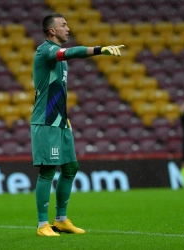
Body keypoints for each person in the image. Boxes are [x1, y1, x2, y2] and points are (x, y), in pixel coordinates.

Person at [31, 13, 125, 237]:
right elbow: (69, 53)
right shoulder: (46, 50)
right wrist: (99, 49)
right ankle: (42, 224)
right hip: (45, 122)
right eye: (63, 25)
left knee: (71, 167)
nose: (68, 28)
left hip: (61, 121)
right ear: (52, 31)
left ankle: (61, 220)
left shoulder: (58, 59)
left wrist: (64, 117)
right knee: (47, 171)